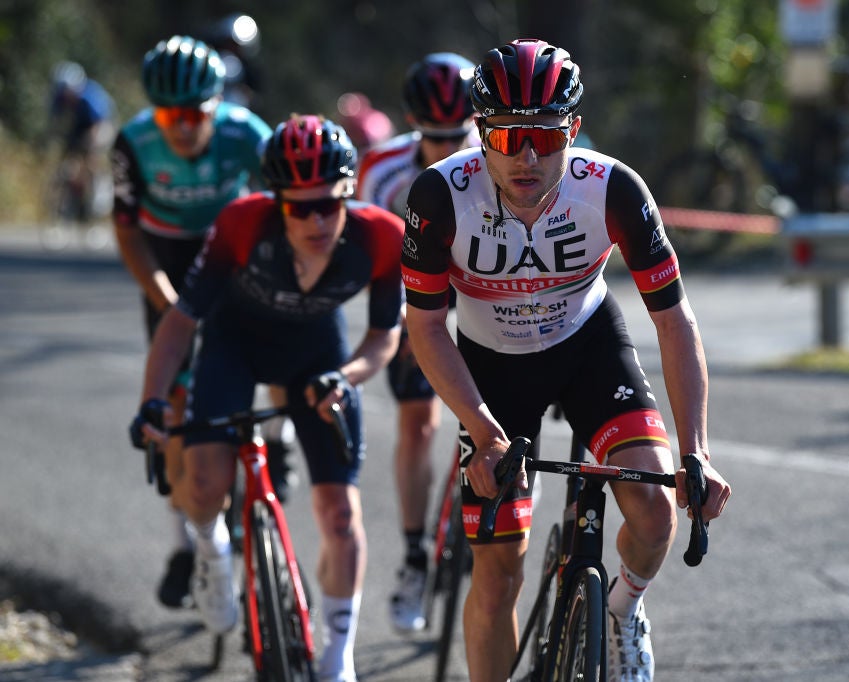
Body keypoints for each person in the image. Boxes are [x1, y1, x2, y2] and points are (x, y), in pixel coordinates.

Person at [401, 39, 732, 682]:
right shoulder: (439, 196)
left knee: (657, 509)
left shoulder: (612, 189)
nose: (527, 157)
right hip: (491, 369)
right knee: (497, 575)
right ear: (481, 133)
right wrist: (485, 433)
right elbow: (426, 327)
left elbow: (672, 318)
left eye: (546, 138)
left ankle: (621, 611)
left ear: (573, 130)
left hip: (588, 350)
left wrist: (697, 451)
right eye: (507, 139)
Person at [130, 114, 404, 682]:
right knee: (204, 486)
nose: (315, 219)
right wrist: (153, 400)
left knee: (338, 513)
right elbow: (181, 321)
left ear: (349, 191)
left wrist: (346, 376)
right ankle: (210, 551)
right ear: (275, 200)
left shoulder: (381, 237)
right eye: (298, 207)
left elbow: (385, 337)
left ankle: (338, 653)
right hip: (234, 346)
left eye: (327, 204)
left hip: (317, 357)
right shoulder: (241, 223)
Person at [110, 35, 296, 611]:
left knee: (276, 336)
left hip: (230, 246)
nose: (182, 127)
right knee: (176, 403)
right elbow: (127, 231)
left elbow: (285, 211)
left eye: (195, 114)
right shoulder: (133, 143)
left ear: (218, 106)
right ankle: (185, 546)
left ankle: (278, 437)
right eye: (170, 114)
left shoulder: (247, 134)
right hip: (165, 256)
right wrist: (166, 299)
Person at [355, 51, 478, 633]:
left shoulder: (499, 157)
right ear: (413, 124)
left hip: (485, 291)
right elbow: (373, 257)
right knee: (419, 425)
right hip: (414, 294)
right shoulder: (382, 171)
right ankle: (411, 555)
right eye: (434, 137)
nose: (448, 148)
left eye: (458, 135)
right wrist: (406, 324)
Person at [48, 60, 117, 223]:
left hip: (101, 123)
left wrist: (89, 145)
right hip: (78, 127)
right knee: (69, 161)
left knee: (93, 153)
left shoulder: (90, 97)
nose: (67, 95)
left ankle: (99, 193)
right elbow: (55, 123)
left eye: (69, 91)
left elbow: (100, 125)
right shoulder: (58, 98)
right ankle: (68, 202)